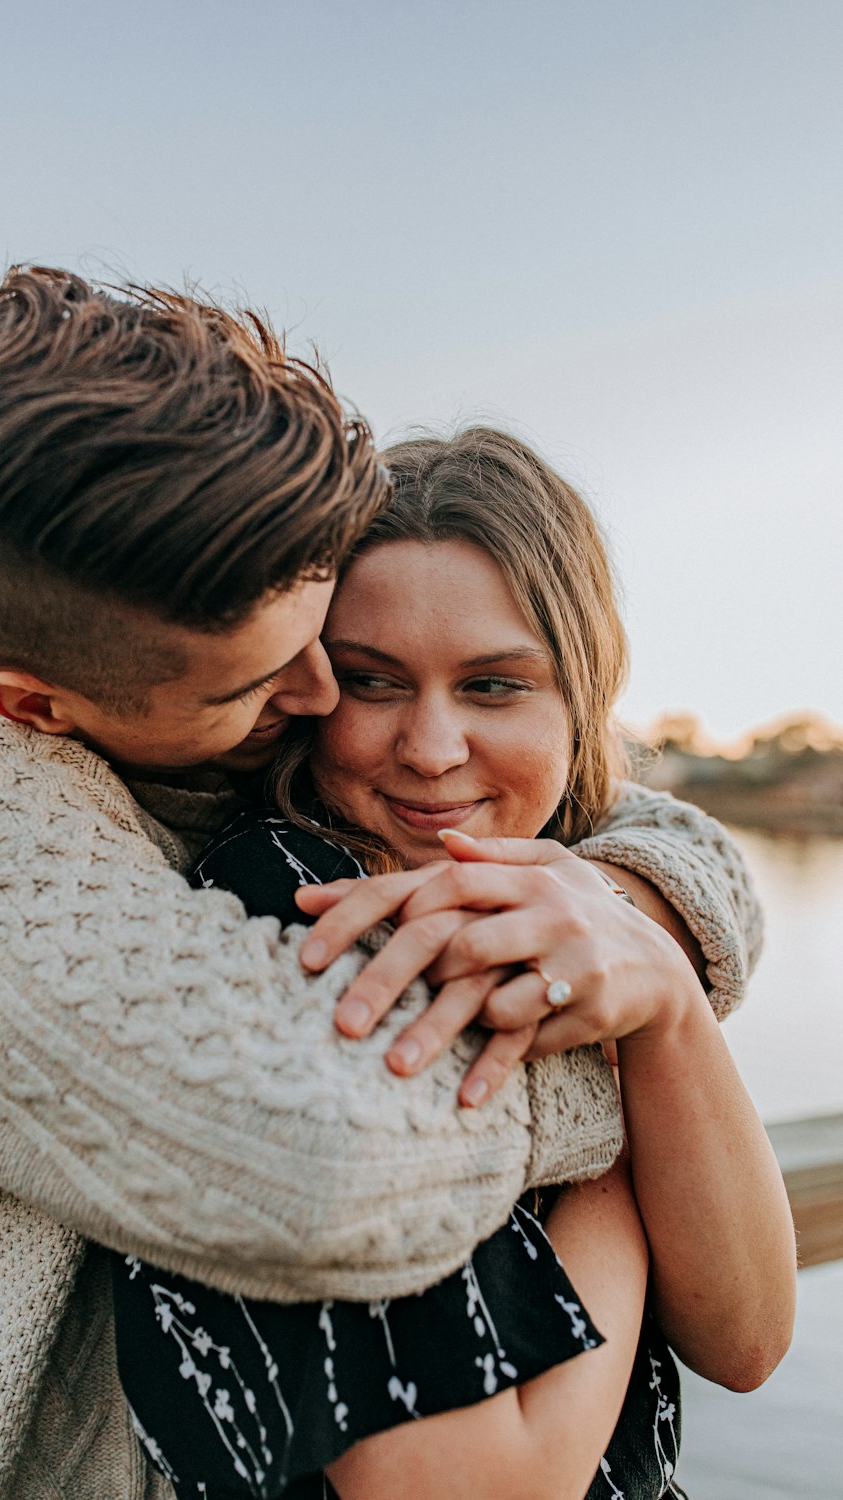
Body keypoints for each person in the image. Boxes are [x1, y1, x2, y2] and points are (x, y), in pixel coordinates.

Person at [0, 268, 772, 1500]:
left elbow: (748, 1342)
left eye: (496, 685)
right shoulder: (224, 892)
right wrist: (610, 1049)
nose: (356, 717)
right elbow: (330, 1168)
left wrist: (647, 947)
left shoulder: (543, 892)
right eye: (351, 674)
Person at [112, 428, 796, 1499]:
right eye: (373, 683)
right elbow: (476, 1490)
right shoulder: (288, 913)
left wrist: (664, 1004)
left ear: (581, 697)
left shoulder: (580, 897)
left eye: (491, 687)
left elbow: (747, 1341)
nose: (430, 749)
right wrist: (619, 1140)